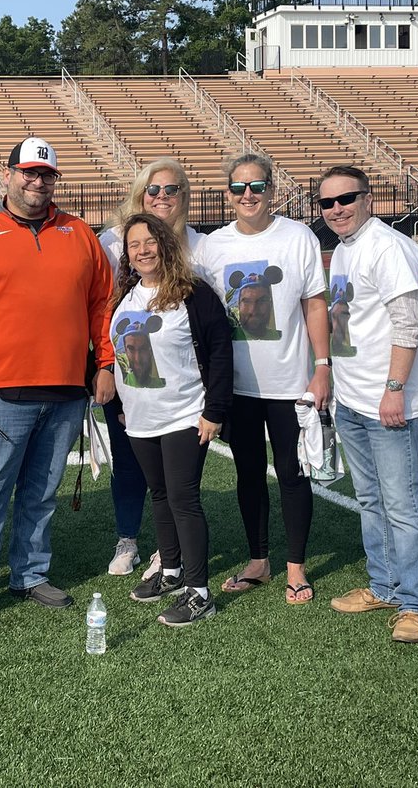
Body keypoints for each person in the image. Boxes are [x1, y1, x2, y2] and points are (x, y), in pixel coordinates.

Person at [0, 136, 115, 632]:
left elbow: (102, 305)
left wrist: (104, 362)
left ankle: (30, 573)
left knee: (41, 492)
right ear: (9, 173)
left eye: (46, 175)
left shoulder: (80, 233)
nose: (37, 182)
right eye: (28, 172)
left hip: (64, 388)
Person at [198, 154, 330, 605]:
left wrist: (322, 365)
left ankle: (296, 565)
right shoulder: (212, 247)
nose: (248, 195)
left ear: (272, 189)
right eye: (238, 188)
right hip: (236, 386)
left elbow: (315, 303)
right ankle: (258, 559)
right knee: (249, 472)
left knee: (293, 473)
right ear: (228, 195)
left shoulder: (298, 237)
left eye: (257, 186)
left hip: (290, 382)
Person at [319, 166, 418, 643]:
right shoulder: (346, 251)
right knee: (370, 500)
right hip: (353, 395)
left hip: (385, 398)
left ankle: (416, 603)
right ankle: (384, 584)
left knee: (402, 505)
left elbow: (409, 322)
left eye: (346, 198)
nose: (337, 209)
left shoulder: (387, 246)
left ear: (368, 199)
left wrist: (394, 388)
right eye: (327, 203)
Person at [114, 214, 232, 626]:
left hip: (184, 413)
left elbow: (219, 351)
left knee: (183, 498)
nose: (143, 250)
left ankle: (199, 592)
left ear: (166, 245)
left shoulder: (192, 293)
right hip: (141, 417)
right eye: (134, 245)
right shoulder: (126, 295)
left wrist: (214, 411)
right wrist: (126, 402)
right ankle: (170, 571)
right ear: (127, 253)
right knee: (159, 495)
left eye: (150, 242)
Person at [97, 158, 205, 577]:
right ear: (140, 195)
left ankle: (171, 552)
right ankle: (129, 539)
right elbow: (101, 306)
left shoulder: (201, 244)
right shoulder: (112, 243)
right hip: (131, 371)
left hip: (182, 380)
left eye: (172, 189)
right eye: (153, 190)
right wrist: (106, 365)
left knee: (177, 480)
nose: (162, 197)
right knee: (130, 461)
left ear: (185, 195)